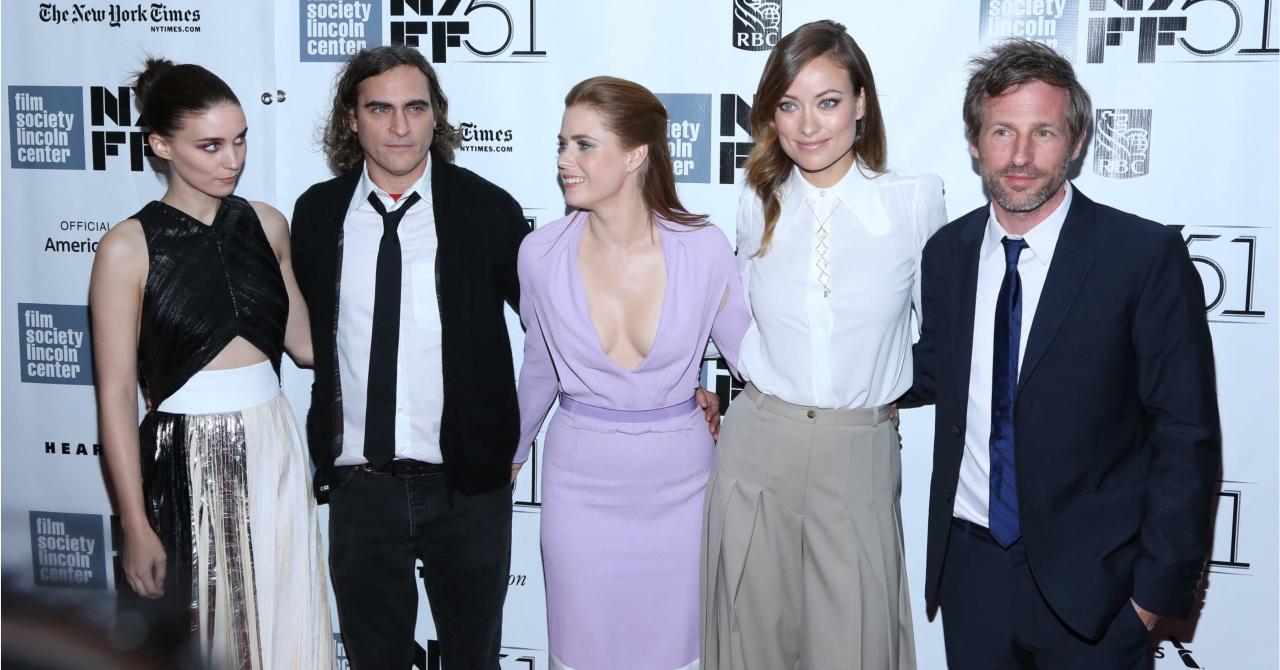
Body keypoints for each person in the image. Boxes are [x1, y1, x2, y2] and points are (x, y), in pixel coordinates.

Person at [910, 39, 1220, 669]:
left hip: (1100, 589)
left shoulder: (1141, 257)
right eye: (1002, 131)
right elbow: (929, 369)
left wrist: (1153, 599)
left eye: (1043, 132)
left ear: (1076, 143)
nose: (1020, 156)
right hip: (972, 575)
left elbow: (1185, 432)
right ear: (975, 141)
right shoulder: (947, 252)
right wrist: (769, 387)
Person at [701, 20, 946, 670]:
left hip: (855, 454)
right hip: (757, 446)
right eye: (789, 104)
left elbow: (946, 338)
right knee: (752, 648)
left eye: (828, 101)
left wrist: (889, 394)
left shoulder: (914, 203)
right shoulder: (756, 201)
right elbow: (732, 320)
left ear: (861, 104)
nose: (808, 124)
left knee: (855, 649)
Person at [289, 45, 529, 669]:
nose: (399, 126)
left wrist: (662, 381)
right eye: (380, 109)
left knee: (474, 659)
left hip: (466, 485)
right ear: (351, 119)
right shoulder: (317, 215)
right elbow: (299, 331)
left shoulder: (488, 210)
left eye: (415, 108)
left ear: (436, 116)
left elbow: (556, 329)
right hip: (362, 488)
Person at [92, 58, 331, 668]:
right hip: (182, 454)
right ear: (161, 145)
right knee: (202, 636)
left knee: (281, 617)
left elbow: (306, 345)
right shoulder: (127, 246)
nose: (233, 159)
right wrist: (135, 524)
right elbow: (117, 395)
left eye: (241, 139)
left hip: (273, 443)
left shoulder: (267, 224)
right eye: (211, 145)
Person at [515, 76, 750, 670]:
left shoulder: (704, 248)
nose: (565, 161)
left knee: (678, 656)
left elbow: (755, 362)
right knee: (581, 653)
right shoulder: (540, 253)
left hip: (682, 487)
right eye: (562, 144)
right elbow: (539, 369)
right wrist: (510, 452)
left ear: (637, 153)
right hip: (579, 484)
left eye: (584, 145)